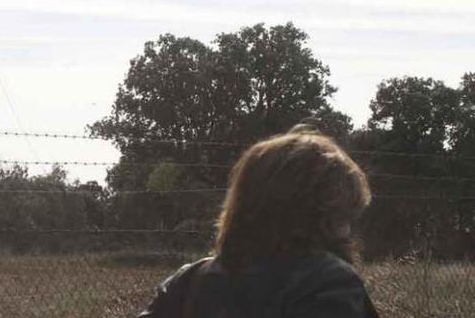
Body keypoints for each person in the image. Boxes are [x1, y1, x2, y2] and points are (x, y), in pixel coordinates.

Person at [137, 124, 380, 317]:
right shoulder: (329, 283)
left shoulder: (190, 281)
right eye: (343, 216)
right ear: (321, 215)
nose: (348, 232)